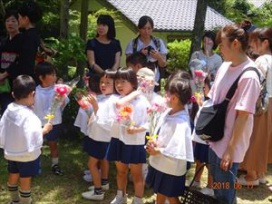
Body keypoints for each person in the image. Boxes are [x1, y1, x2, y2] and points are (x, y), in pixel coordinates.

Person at [207, 24, 260, 204]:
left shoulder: (249, 76)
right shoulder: (225, 66)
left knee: (224, 191)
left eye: (222, 44)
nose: (219, 49)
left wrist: (230, 150)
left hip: (230, 143)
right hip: (215, 137)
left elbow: (243, 116)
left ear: (235, 44)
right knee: (219, 185)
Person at [0, 75, 52, 204]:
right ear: (32, 93)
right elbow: (34, 135)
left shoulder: (9, 109)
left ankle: (14, 200)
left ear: (13, 94)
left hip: (12, 153)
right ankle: (25, 201)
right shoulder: (29, 116)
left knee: (13, 174)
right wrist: (45, 129)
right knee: (25, 178)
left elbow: (3, 127)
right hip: (26, 154)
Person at [145, 77, 194, 204]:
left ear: (174, 98)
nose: (164, 95)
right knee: (160, 191)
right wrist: (154, 141)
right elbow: (163, 132)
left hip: (171, 167)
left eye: (167, 93)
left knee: (171, 196)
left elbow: (177, 147)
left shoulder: (181, 122)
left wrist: (158, 150)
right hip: (162, 163)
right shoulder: (169, 112)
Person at [106, 67, 149, 204]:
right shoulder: (115, 99)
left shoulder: (142, 102)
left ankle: (137, 200)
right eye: (117, 82)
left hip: (135, 142)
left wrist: (137, 129)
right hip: (118, 139)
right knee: (121, 171)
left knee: (137, 175)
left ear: (133, 83)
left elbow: (149, 124)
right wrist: (137, 93)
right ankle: (121, 196)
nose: (119, 85)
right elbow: (119, 104)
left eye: (123, 82)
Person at [238, 27, 272, 186]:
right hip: (270, 104)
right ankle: (261, 172)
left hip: (261, 105)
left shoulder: (262, 60)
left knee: (254, 137)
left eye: (254, 41)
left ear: (265, 43)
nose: (251, 44)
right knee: (265, 139)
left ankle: (252, 175)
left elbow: (256, 84)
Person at [81, 70, 116, 201]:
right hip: (99, 137)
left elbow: (108, 123)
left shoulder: (113, 101)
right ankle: (104, 183)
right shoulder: (104, 97)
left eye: (108, 83)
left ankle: (98, 191)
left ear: (116, 84)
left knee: (91, 165)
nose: (103, 85)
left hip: (102, 138)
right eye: (102, 82)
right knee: (103, 160)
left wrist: (95, 107)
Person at [33, 62, 70, 176]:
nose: (54, 77)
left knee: (53, 144)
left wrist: (63, 95)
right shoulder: (35, 91)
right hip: (38, 121)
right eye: (51, 75)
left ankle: (55, 164)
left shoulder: (58, 89)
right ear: (41, 77)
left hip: (54, 122)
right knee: (37, 144)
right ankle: (36, 165)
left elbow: (63, 102)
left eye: (55, 74)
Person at [0, 1, 42, 84]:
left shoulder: (27, 38)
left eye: (19, 17)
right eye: (7, 21)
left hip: (24, 81)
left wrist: (4, 75)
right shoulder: (33, 35)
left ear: (26, 18)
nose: (18, 19)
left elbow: (23, 63)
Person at [125, 15, 167, 88]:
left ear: (152, 29)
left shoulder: (158, 43)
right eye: (144, 28)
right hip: (136, 81)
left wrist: (158, 57)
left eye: (149, 28)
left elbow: (163, 64)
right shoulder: (132, 43)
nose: (146, 31)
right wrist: (139, 54)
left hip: (154, 81)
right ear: (139, 29)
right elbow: (128, 65)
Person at [86, 14, 121, 94]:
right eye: (99, 24)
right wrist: (104, 75)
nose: (100, 27)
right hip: (95, 79)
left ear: (110, 27)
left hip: (112, 79)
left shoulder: (116, 43)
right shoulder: (91, 43)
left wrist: (110, 75)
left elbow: (117, 63)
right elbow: (92, 63)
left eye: (104, 25)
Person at [0, 10, 23, 115]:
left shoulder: (23, 39)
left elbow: (21, 60)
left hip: (15, 80)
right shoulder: (3, 41)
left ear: (19, 23)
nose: (10, 23)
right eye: (7, 21)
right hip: (2, 80)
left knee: (10, 109)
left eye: (13, 21)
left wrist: (5, 74)